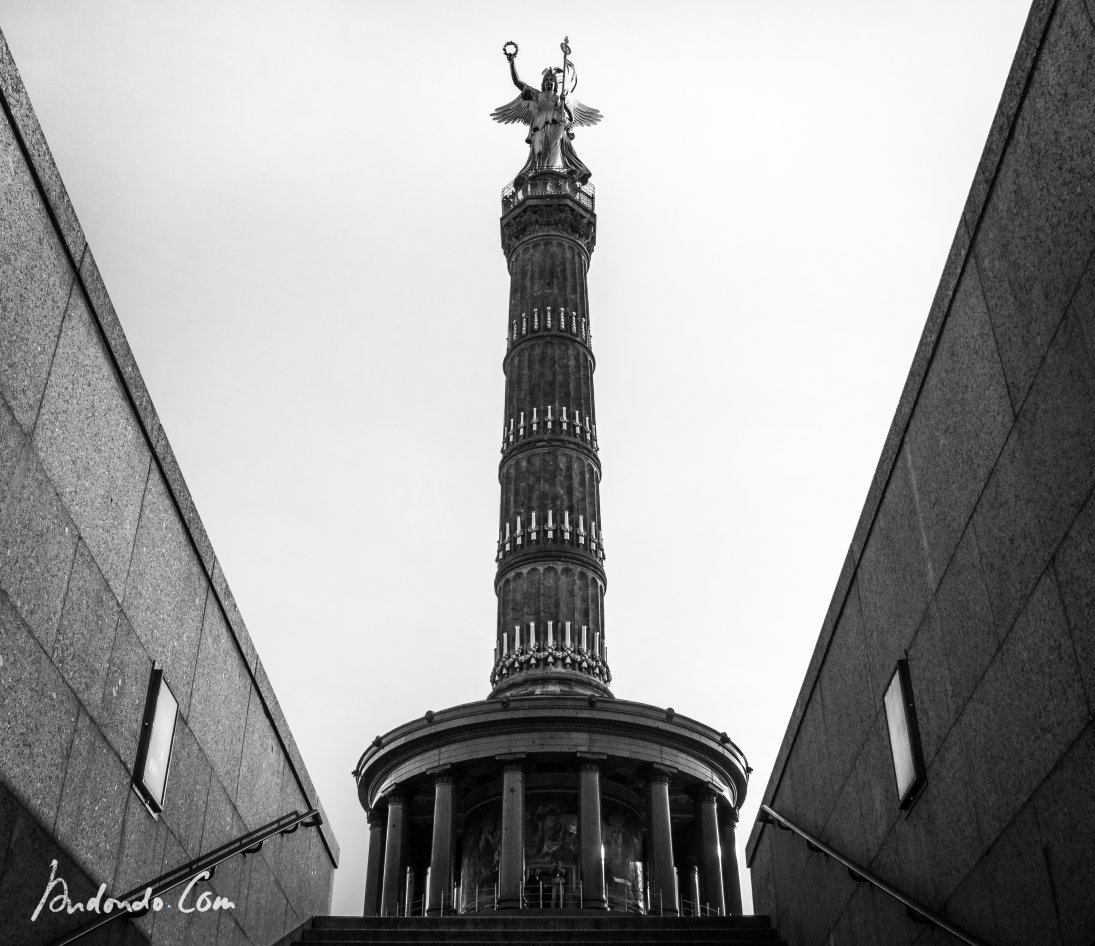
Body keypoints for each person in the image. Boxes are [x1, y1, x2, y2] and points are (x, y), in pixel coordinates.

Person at [491, 45, 601, 189]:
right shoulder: (536, 95)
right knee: (538, 152)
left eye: (551, 80)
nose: (549, 82)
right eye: (547, 80)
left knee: (554, 152)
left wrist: (563, 104)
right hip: (539, 128)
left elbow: (571, 118)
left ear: (555, 84)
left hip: (557, 127)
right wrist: (511, 63)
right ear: (543, 83)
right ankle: (538, 179)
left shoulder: (560, 98)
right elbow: (517, 82)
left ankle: (551, 178)